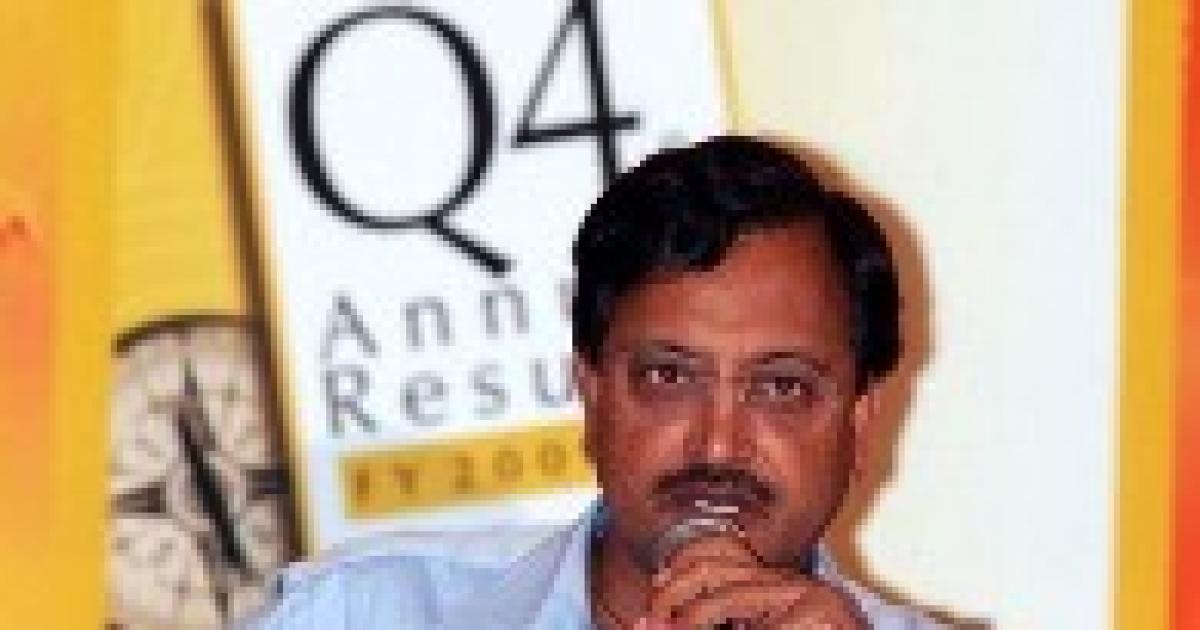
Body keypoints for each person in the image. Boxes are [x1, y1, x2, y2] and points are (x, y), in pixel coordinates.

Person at [242, 136, 943, 628]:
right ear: (594, 395)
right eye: (669, 376)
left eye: (780, 388)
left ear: (857, 427)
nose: (719, 444)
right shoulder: (358, 613)